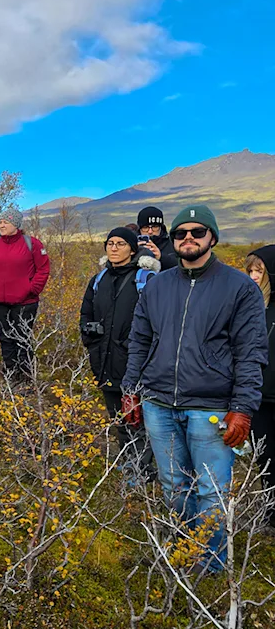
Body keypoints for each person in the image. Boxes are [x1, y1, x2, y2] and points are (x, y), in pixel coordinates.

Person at [122, 205, 267, 572]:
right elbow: (139, 339)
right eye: (181, 232)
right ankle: (183, 553)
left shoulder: (240, 288)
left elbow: (251, 352)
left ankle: (211, 564)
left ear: (212, 237)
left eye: (197, 231)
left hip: (211, 406)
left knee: (211, 491)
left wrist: (244, 408)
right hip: (157, 402)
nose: (188, 238)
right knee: (172, 486)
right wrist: (131, 390)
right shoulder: (158, 286)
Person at [79, 227, 159, 480]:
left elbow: (157, 322)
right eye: (110, 243)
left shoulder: (147, 279)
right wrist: (92, 344)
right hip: (104, 359)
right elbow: (85, 315)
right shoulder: (98, 280)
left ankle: (142, 471)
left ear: (133, 249)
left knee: (139, 418)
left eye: (120, 243)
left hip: (135, 361)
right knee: (118, 417)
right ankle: (129, 464)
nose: (113, 248)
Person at [0, 208, 50, 389]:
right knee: (5, 339)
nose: (1, 225)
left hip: (25, 303)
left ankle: (26, 379)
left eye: (5, 222)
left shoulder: (32, 244)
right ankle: (10, 375)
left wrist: (32, 289)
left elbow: (43, 270)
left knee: (22, 339)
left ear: (16, 225)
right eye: (0, 222)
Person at [245, 246, 275, 527]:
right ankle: (271, 514)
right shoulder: (250, 306)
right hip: (258, 398)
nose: (253, 277)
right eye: (250, 271)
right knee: (265, 459)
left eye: (260, 271)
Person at [136, 206, 179, 271]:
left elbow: (182, 266)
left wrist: (161, 257)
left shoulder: (173, 244)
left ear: (161, 227)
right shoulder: (130, 244)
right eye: (145, 227)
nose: (150, 231)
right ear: (139, 228)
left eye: (155, 227)